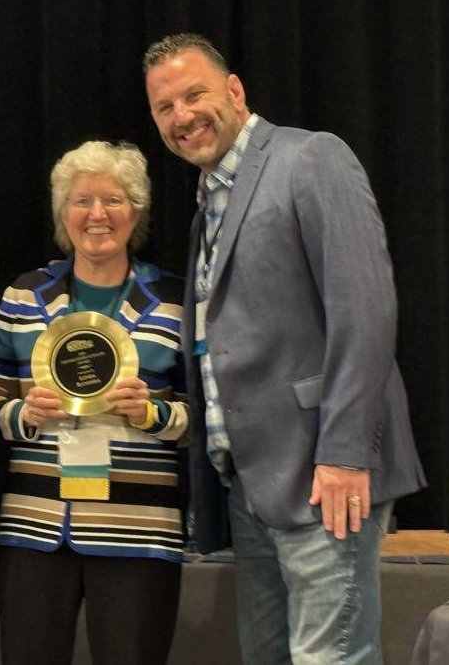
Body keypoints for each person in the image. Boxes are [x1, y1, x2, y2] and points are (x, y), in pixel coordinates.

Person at [144, 34, 426, 664]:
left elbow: (365, 308)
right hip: (251, 480)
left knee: (333, 657)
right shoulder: (205, 205)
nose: (182, 116)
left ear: (235, 90)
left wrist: (347, 451)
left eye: (195, 94)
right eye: (165, 107)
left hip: (325, 474)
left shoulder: (309, 158)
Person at [0, 140, 188, 665]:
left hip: (139, 533)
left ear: (136, 211)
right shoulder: (23, 297)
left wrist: (153, 413)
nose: (97, 214)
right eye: (81, 201)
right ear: (62, 214)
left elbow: (205, 418)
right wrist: (22, 416)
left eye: (114, 200)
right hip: (34, 529)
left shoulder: (176, 302)